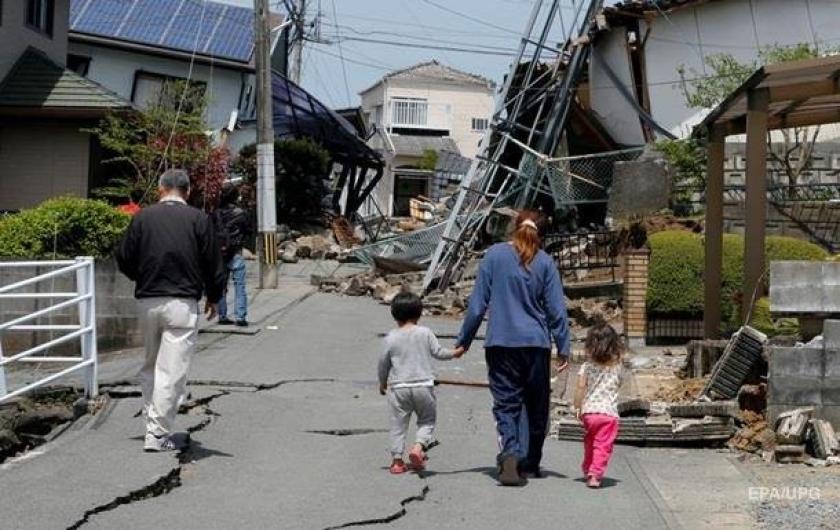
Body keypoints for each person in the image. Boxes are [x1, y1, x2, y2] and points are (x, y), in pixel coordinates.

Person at [455, 211, 570, 487]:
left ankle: (510, 452)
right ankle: (530, 463)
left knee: (507, 403)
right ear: (541, 235)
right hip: (536, 345)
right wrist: (563, 347)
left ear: (514, 227)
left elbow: (477, 306)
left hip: (501, 343)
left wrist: (464, 340)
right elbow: (556, 310)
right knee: (536, 406)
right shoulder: (545, 262)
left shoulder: (493, 256)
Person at [116, 169, 226, 452]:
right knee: (172, 370)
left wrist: (142, 276)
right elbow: (214, 262)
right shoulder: (198, 219)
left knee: (151, 365)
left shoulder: (143, 217)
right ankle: (157, 434)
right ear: (187, 191)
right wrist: (214, 296)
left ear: (160, 189)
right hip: (182, 302)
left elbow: (124, 257)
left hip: (147, 300)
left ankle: (151, 424)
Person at [378, 292, 464, 474]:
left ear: (394, 315)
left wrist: (382, 382)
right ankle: (418, 447)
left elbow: (383, 364)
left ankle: (397, 461)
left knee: (398, 424)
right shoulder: (425, 333)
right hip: (423, 386)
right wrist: (455, 353)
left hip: (399, 388)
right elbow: (439, 352)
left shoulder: (390, 337)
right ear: (419, 313)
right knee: (426, 420)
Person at [574, 322, 623, 489]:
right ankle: (595, 474)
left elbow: (580, 387)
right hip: (608, 414)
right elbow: (619, 384)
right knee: (603, 445)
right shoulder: (617, 366)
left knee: (589, 441)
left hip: (589, 412)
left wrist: (577, 407)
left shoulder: (586, 366)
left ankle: (587, 468)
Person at [214, 183, 251, 327]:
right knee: (239, 285)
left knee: (222, 285)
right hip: (236, 251)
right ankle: (240, 317)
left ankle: (222, 315)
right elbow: (248, 230)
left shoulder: (216, 213)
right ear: (235, 196)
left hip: (220, 253)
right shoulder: (241, 213)